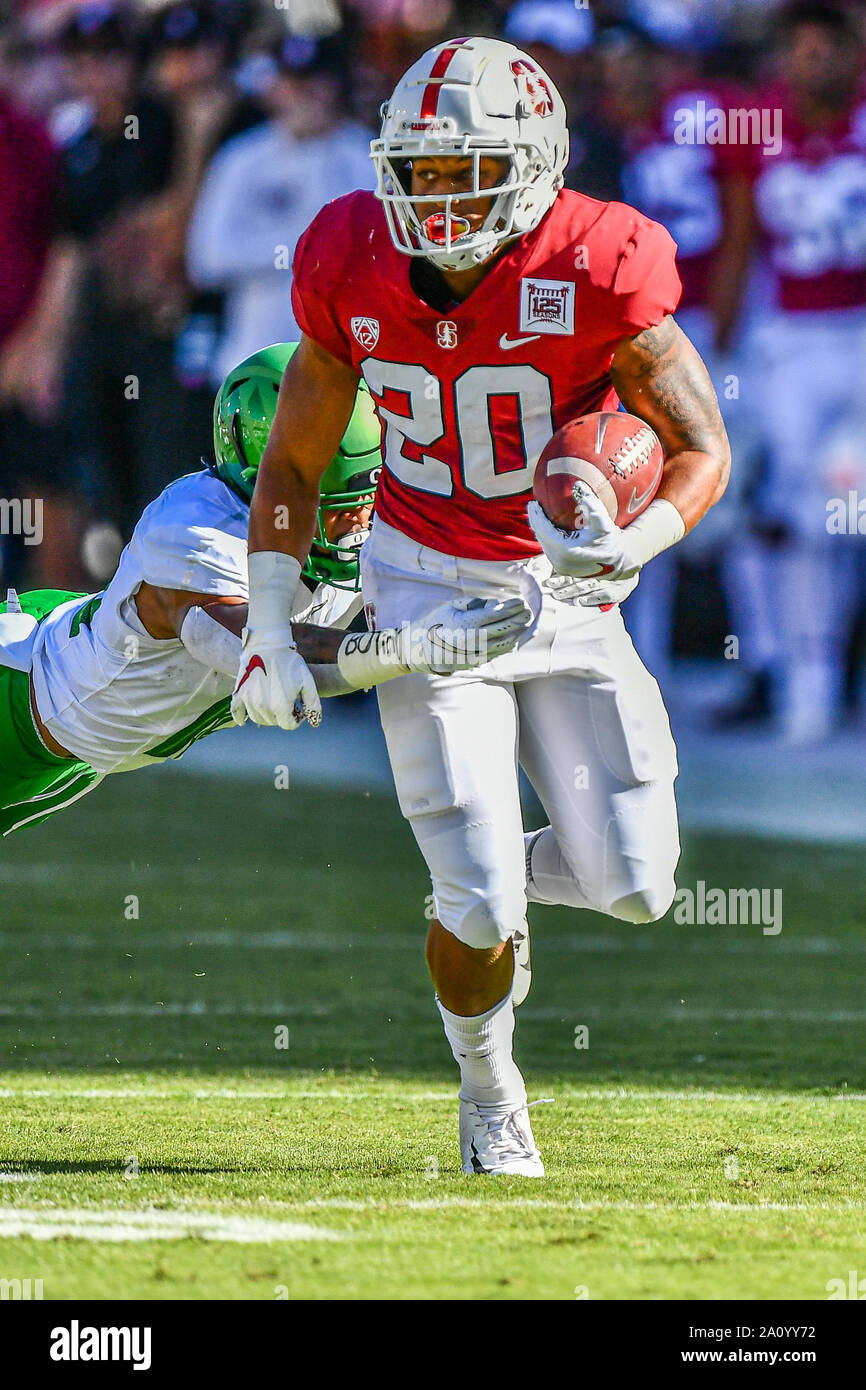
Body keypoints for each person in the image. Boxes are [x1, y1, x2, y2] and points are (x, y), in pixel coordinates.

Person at [233, 37, 730, 1176]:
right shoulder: (348, 255)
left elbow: (700, 445)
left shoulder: (601, 259)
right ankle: (488, 1086)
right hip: (420, 584)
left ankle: (494, 875)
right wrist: (269, 628)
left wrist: (633, 542)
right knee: (475, 899)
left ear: (537, 163)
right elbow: (296, 464)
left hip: (561, 586)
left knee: (639, 885)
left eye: (468, 169)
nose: (439, 195)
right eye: (419, 169)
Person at [0, 343, 530, 837]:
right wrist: (411, 648)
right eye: (343, 500)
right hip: (19, 696)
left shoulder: (357, 521)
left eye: (372, 490)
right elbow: (264, 649)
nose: (364, 519)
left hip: (80, 743)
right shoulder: (193, 533)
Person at [187, 30, 374, 388]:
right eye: (292, 82)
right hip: (252, 365)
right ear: (274, 88)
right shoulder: (242, 158)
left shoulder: (366, 156)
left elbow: (380, 258)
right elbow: (206, 259)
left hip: (348, 368)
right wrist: (308, 248)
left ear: (334, 85)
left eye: (313, 81)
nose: (303, 94)